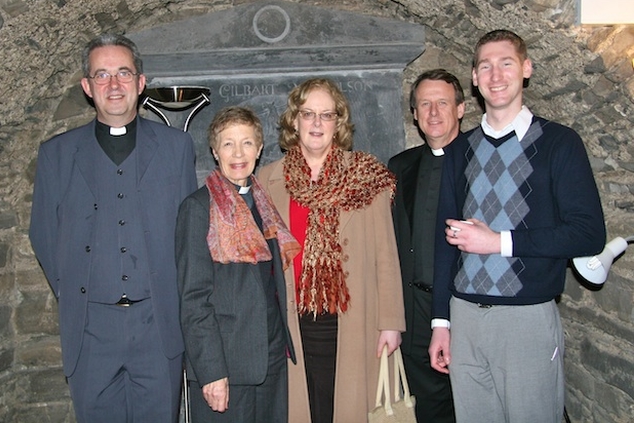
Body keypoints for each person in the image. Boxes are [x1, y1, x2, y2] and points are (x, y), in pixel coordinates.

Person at [429, 29, 606, 423]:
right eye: (486, 66)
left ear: (526, 69)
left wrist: (499, 242)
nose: (495, 75)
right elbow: (444, 243)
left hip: (526, 317)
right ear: (474, 77)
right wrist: (441, 321)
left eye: (506, 63)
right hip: (466, 317)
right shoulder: (459, 150)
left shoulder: (560, 143)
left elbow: (588, 233)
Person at [28, 33, 197, 422]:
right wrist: (80, 295)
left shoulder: (176, 149)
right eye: (101, 75)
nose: (114, 85)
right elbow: (44, 236)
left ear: (140, 82)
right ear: (87, 87)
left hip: (158, 329)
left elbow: (188, 235)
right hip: (91, 333)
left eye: (123, 73)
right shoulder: (56, 155)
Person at [257, 77, 405, 423]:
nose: (317, 123)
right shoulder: (267, 180)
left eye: (327, 115)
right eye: (308, 114)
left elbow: (386, 255)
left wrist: (391, 323)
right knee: (303, 406)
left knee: (350, 408)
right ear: (294, 120)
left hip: (355, 318)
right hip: (292, 321)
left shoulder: (366, 175)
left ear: (339, 122)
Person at [175, 106, 300, 422]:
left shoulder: (263, 204)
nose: (238, 153)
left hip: (271, 360)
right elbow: (193, 300)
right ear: (215, 152)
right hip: (226, 367)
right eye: (228, 144)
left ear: (259, 149)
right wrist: (211, 371)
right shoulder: (197, 208)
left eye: (246, 143)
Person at [388, 68, 463, 423]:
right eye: (424, 104)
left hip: (468, 309)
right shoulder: (400, 166)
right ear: (415, 115)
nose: (433, 113)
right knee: (427, 411)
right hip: (415, 309)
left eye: (442, 103)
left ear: (461, 109)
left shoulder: (481, 162)